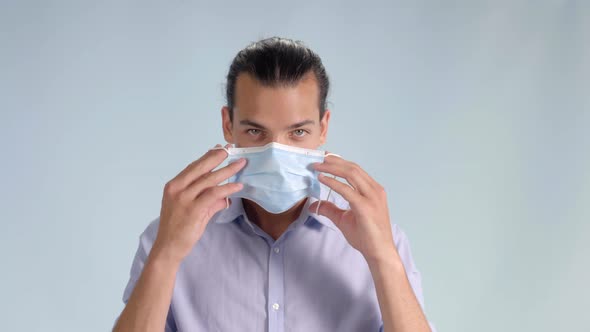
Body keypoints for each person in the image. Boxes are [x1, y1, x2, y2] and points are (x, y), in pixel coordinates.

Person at [113, 37, 435, 332]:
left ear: (323, 128)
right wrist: (166, 255)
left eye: (297, 133)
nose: (276, 152)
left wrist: (383, 259)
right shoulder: (168, 236)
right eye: (256, 132)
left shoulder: (380, 239)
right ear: (228, 125)